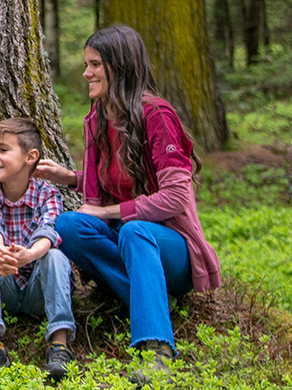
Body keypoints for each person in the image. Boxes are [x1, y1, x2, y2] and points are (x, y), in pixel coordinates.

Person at [36, 25, 221, 384]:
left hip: (170, 248)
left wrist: (108, 213)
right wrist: (68, 177)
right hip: (126, 239)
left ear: (119, 67)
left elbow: (177, 196)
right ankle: (149, 303)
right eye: (86, 64)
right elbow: (106, 187)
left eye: (95, 64)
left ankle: (156, 349)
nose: (86, 72)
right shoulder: (97, 120)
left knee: (136, 231)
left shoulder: (157, 115)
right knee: (68, 225)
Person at [0, 117, 75, 381]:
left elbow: (48, 232)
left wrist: (28, 255)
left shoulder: (47, 194)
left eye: (3, 150)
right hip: (4, 282)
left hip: (38, 289)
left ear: (31, 157)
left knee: (54, 257)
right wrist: (2, 253)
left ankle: (60, 344)